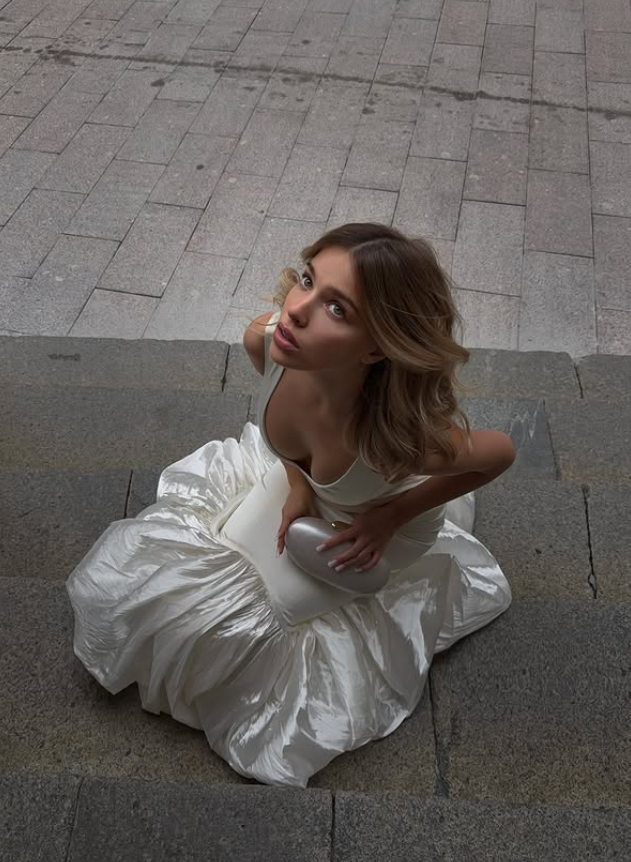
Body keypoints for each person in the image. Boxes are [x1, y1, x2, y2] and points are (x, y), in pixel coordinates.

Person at [67, 223, 514, 788]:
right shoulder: (267, 342)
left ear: (375, 348)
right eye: (307, 280)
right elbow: (286, 445)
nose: (296, 311)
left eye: (337, 308)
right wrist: (298, 483)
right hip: (311, 489)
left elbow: (499, 455)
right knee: (195, 580)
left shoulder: (398, 441)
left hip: (380, 524)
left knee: (251, 622)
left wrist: (391, 516)